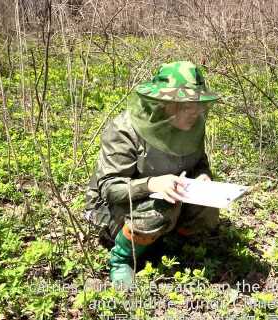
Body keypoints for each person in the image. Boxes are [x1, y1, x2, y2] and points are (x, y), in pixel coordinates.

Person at [83, 61, 221, 286]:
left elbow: (199, 163)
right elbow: (109, 188)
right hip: (115, 207)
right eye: (186, 106)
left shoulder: (191, 125)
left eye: (197, 104)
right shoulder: (124, 129)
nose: (195, 112)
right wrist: (152, 184)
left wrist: (203, 175)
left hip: (171, 194)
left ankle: (170, 244)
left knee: (208, 206)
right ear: (163, 104)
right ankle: (122, 259)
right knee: (162, 210)